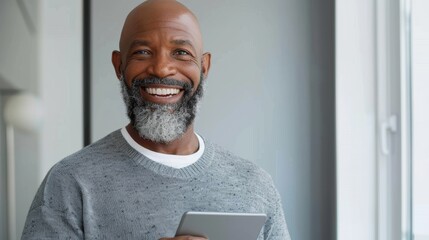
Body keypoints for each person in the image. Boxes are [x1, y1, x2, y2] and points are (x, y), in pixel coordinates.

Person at [22, 0, 291, 239]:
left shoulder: (255, 184)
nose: (162, 68)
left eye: (181, 52)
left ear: (204, 67)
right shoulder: (70, 182)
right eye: (142, 52)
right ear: (119, 66)